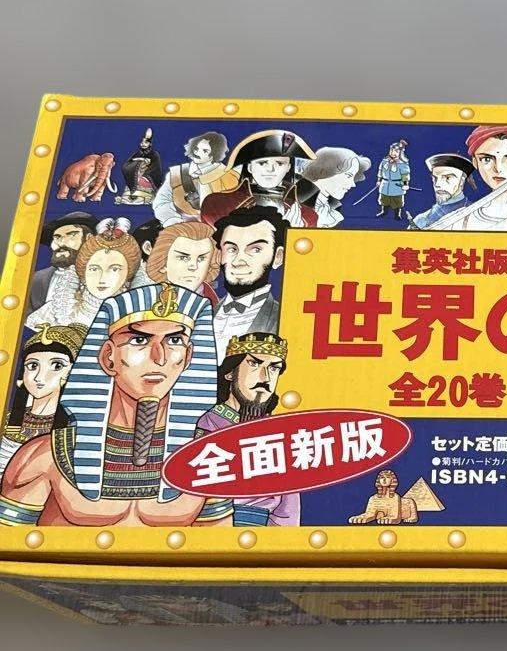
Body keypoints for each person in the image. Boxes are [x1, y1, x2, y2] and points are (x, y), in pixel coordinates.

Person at [0, 283, 229, 527]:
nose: (159, 357)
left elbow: (220, 546)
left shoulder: (211, 457)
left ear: (188, 357)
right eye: (139, 340)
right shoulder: (44, 457)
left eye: (174, 340)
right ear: (108, 357)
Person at [195, 331, 299, 527]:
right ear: (230, 372)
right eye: (254, 364)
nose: (265, 377)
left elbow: (288, 510)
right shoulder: (207, 425)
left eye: (274, 368)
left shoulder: (279, 434)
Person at [0, 323, 85, 477]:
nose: (40, 377)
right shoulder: (4, 420)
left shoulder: (77, 430)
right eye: (33, 365)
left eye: (57, 366)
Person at [26, 219, 141, 329]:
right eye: (94, 269)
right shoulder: (53, 311)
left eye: (115, 269)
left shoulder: (140, 310)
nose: (102, 278)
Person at [211, 207, 287, 358]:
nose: (239, 261)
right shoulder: (205, 313)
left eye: (255, 249)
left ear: (278, 256)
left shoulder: (283, 318)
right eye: (231, 249)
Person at [199, 130, 317, 228]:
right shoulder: (218, 204)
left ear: (288, 167)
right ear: (250, 167)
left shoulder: (307, 216)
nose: (270, 169)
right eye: (262, 163)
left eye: (280, 164)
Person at [153, 131, 237, 225]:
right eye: (196, 148)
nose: (197, 152)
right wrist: (172, 220)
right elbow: (161, 202)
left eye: (205, 151)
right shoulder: (176, 174)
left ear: (215, 153)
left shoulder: (228, 175)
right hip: (182, 226)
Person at [28, 215, 96, 312]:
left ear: (89, 239)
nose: (61, 242)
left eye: (71, 235)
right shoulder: (36, 279)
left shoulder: (107, 275)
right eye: (57, 237)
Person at [146, 222, 221, 304]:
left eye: (201, 258)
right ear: (163, 263)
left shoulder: (218, 306)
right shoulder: (143, 300)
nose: (193, 266)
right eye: (183, 258)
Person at [296, 146, 371, 227]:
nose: (353, 184)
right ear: (324, 171)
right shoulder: (293, 195)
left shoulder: (334, 210)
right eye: (348, 176)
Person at [411, 153, 475, 229]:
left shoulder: (476, 213)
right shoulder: (420, 221)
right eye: (435, 178)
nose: (437, 184)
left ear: (462, 181)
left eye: (447, 178)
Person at [348, 468, 418, 524]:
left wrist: (392, 519)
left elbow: (396, 517)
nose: (384, 480)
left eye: (387, 477)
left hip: (402, 511)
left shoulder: (395, 497)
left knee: (409, 501)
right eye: (382, 477)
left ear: (392, 480)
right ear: (379, 480)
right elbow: (369, 514)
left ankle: (413, 517)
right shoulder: (373, 498)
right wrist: (362, 517)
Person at [117, 129, 164, 205]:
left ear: (150, 144)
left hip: (148, 177)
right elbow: (128, 163)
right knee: (132, 182)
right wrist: (140, 160)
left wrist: (145, 174)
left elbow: (156, 168)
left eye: (146, 142)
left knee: (142, 182)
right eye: (142, 142)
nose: (143, 144)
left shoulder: (154, 154)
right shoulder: (138, 153)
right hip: (136, 176)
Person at [376, 142, 411, 220]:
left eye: (396, 151)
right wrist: (379, 180)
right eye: (392, 151)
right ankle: (384, 211)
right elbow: (380, 171)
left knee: (397, 201)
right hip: (385, 184)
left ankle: (397, 214)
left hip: (396, 185)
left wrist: (405, 184)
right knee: (384, 199)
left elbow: (405, 175)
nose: (393, 153)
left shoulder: (402, 164)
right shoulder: (385, 161)